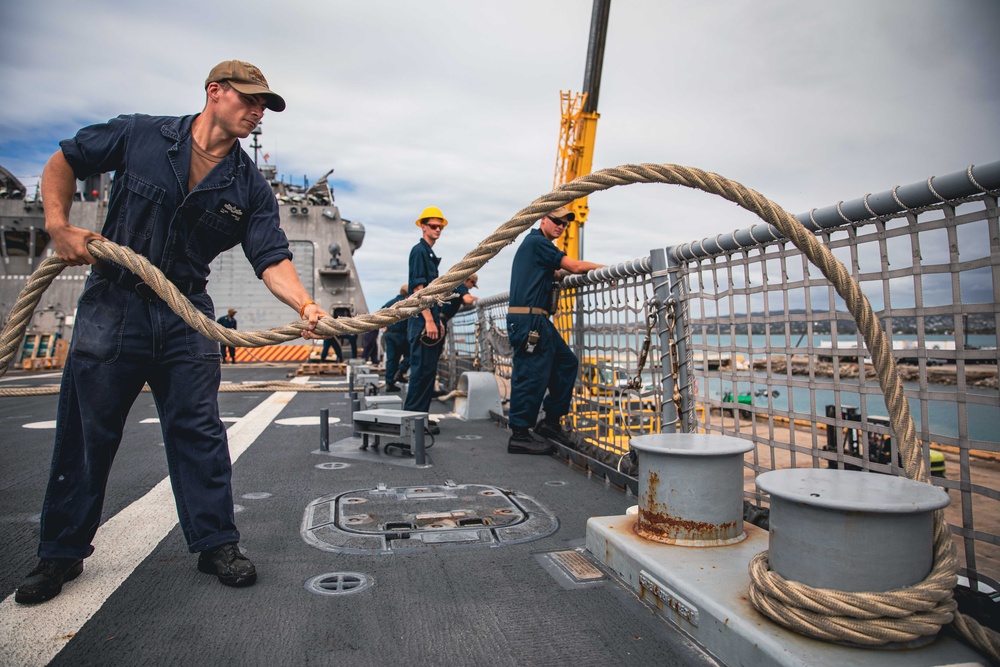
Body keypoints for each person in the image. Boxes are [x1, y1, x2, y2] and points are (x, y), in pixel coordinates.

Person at [15, 60, 331, 605]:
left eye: (264, 106)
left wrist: (304, 302)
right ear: (215, 92)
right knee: (87, 434)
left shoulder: (249, 187)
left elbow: (271, 256)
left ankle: (215, 544)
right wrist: (57, 224)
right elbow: (65, 159)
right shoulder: (139, 134)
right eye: (250, 100)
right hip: (112, 303)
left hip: (186, 312)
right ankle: (60, 554)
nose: (258, 112)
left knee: (200, 431)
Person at [506, 206, 604, 455]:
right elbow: (575, 266)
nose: (561, 226)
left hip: (538, 321)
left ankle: (550, 422)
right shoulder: (538, 242)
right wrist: (605, 269)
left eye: (565, 224)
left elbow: (557, 272)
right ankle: (519, 435)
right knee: (530, 374)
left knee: (566, 363)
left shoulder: (537, 246)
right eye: (556, 221)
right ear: (543, 219)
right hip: (529, 321)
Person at [402, 206, 447, 425]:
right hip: (422, 324)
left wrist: (438, 321)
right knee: (420, 374)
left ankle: (420, 418)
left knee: (427, 374)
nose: (437, 230)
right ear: (423, 227)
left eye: (440, 226)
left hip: (429, 321)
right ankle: (413, 422)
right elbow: (418, 289)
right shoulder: (419, 251)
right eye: (433, 226)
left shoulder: (428, 253)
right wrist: (429, 320)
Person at [382, 285, 410, 393]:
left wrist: (384, 327)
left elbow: (380, 313)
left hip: (389, 334)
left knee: (392, 359)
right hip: (402, 334)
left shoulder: (390, 302)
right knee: (410, 355)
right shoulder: (407, 303)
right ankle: (401, 371)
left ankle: (389, 383)